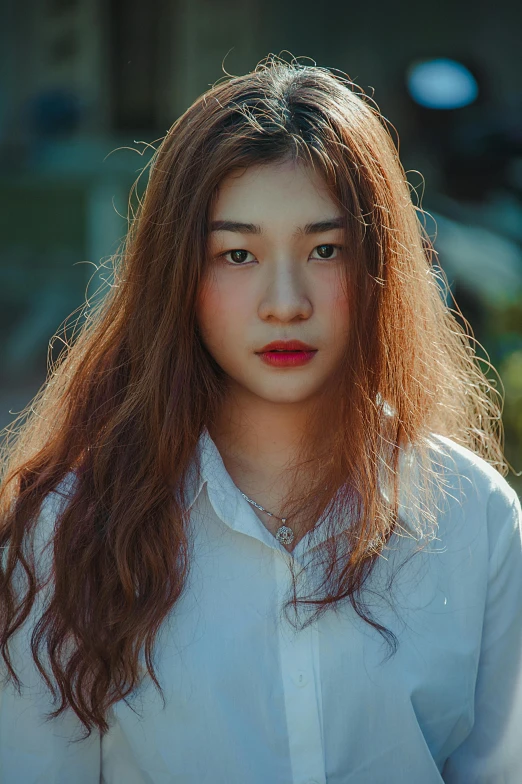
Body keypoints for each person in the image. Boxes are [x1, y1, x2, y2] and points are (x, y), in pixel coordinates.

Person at [1, 55, 521, 784]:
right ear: (177, 271)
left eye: (325, 249)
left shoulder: (476, 518)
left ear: (380, 265)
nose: (285, 301)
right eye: (238, 253)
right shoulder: (67, 527)